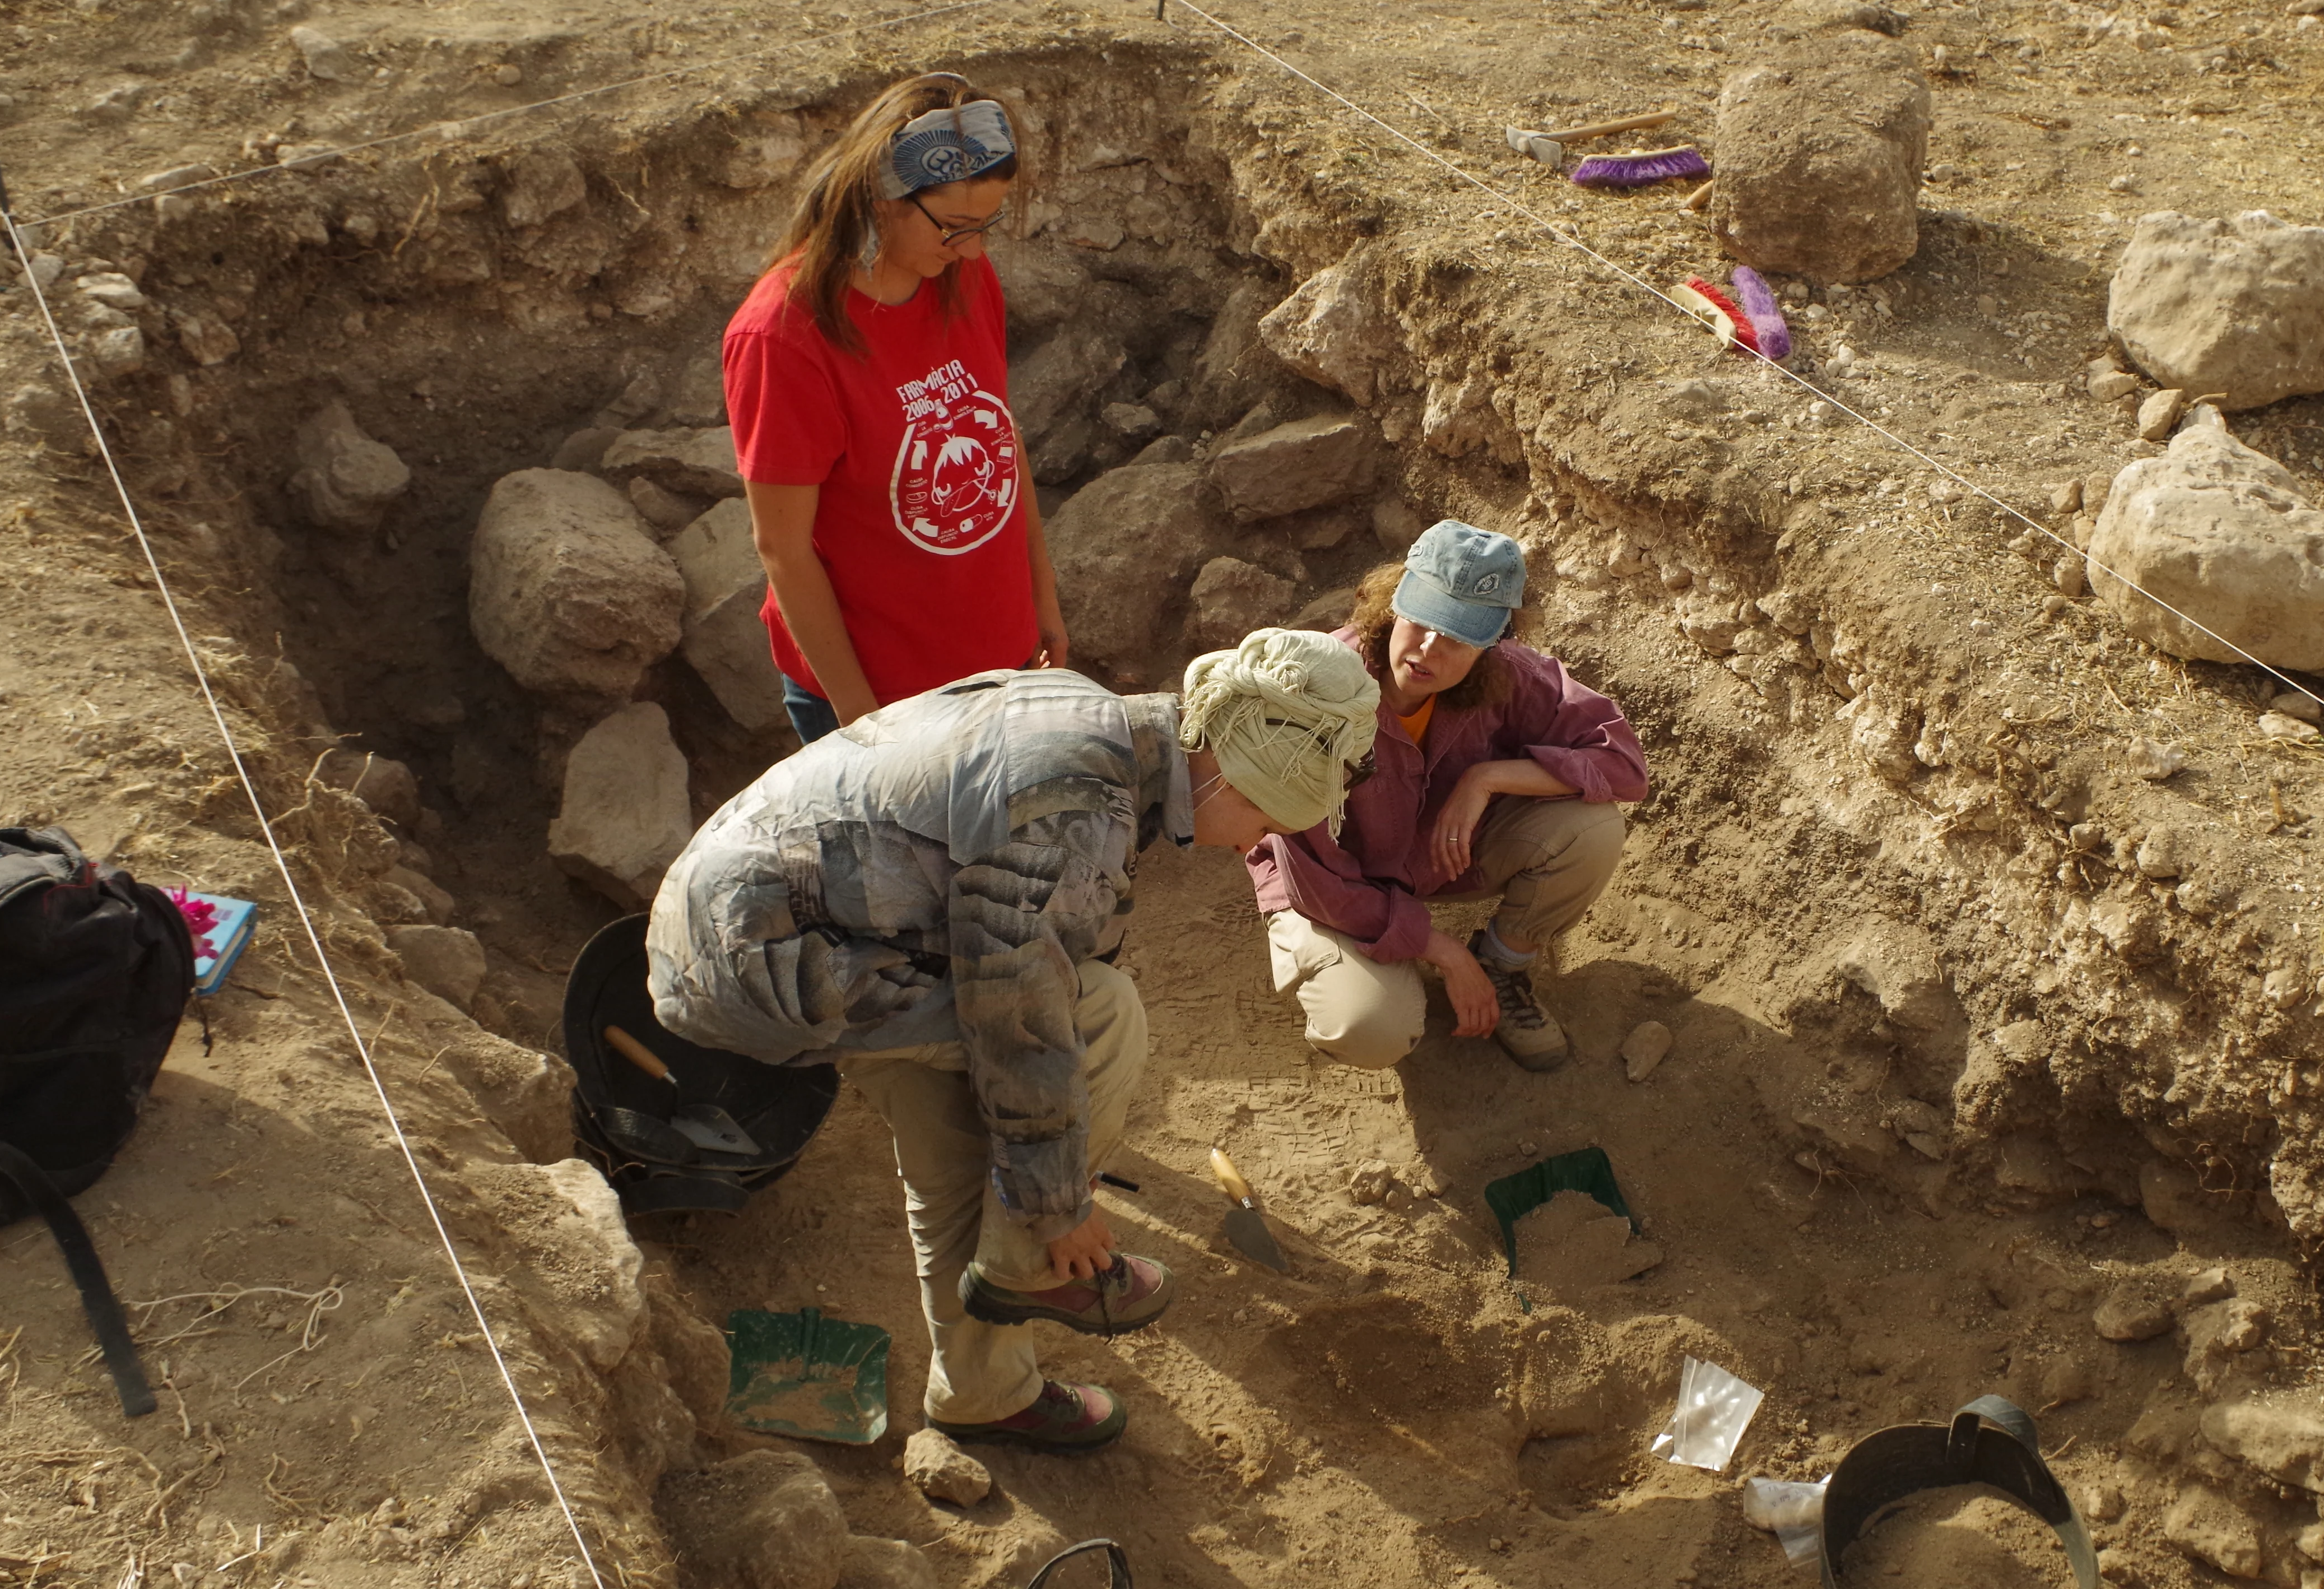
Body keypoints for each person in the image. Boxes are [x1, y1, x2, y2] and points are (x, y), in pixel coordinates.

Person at [648, 631, 1379, 1452]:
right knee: (1101, 1014)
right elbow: (1018, 1014)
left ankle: (982, 1395)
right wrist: (1056, 1205)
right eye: (1266, 822)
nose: (1253, 847)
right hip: (768, 961)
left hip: (793, 927)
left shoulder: (1103, 723)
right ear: (1228, 776)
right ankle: (1028, 1263)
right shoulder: (1074, 810)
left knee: (959, 1153)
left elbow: (1038, 930)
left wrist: (1042, 1158)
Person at [722, 71, 1072, 746]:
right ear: (882, 199)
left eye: (987, 224)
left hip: (1001, 664)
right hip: (885, 700)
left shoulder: (960, 275)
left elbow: (999, 440)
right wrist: (864, 727)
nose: (974, 249)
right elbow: (783, 551)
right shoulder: (783, 339)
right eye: (955, 227)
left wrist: (1041, 602)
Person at [1247, 522, 1648, 1073]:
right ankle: (1380, 977)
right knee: (1371, 1029)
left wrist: (1485, 779)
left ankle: (1503, 967)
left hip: (1434, 858)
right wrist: (1443, 950)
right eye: (1421, 619)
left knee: (1591, 829)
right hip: (1329, 886)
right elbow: (1315, 880)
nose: (1429, 649)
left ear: (1493, 641)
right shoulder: (1318, 688)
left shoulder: (1506, 675)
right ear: (1393, 602)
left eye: (1458, 635)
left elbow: (1623, 765)